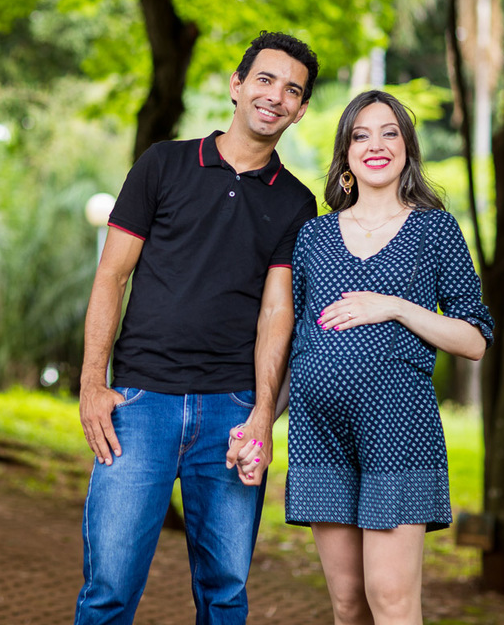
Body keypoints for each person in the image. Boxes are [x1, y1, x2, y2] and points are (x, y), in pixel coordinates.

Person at [73, 31, 320, 625]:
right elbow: (112, 276)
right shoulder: (164, 164)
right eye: (265, 79)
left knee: (225, 595)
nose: (275, 96)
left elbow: (276, 314)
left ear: (302, 109)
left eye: (292, 90)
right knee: (108, 589)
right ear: (237, 86)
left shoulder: (297, 203)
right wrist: (92, 383)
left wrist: (262, 414)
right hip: (139, 402)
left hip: (231, 414)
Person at [234, 89, 493, 625]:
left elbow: (473, 340)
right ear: (346, 153)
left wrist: (395, 307)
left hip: (398, 433)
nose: (375, 145)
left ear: (407, 149)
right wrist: (260, 423)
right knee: (348, 603)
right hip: (318, 434)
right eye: (361, 135)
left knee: (391, 599)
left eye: (389, 133)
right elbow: (295, 346)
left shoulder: (434, 229)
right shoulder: (314, 236)